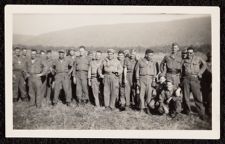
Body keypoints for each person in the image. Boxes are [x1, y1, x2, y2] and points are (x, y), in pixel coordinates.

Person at [182, 46, 207, 120]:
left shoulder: (198, 58)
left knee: (197, 97)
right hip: (186, 79)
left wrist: (200, 72)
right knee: (186, 97)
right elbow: (181, 69)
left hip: (195, 79)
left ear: (193, 53)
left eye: (191, 53)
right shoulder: (184, 60)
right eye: (188, 53)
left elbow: (205, 65)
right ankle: (187, 111)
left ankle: (201, 113)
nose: (189, 54)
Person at [135, 49, 158, 114]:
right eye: (150, 55)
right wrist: (137, 80)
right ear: (146, 55)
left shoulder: (153, 62)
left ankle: (147, 107)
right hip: (142, 79)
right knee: (141, 94)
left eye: (152, 55)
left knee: (149, 94)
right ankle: (142, 108)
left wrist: (153, 80)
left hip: (150, 79)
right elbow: (137, 71)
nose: (151, 56)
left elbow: (155, 71)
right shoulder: (140, 61)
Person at [201, 52, 212, 116]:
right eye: (210, 56)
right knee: (205, 97)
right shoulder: (204, 63)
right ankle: (206, 110)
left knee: (210, 97)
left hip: (212, 82)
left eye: (211, 56)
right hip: (204, 83)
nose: (211, 58)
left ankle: (210, 110)